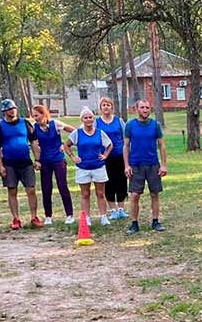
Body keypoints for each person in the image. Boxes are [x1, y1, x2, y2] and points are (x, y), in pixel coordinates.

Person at [0, 98, 42, 230]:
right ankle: (16, 218)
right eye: (9, 109)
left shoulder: (25, 124)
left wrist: (37, 159)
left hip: (26, 162)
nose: (12, 111)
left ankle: (34, 216)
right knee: (12, 190)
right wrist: (0, 166)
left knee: (31, 189)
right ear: (4, 111)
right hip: (9, 163)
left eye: (14, 109)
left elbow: (34, 142)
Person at [123, 98, 167, 234]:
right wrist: (126, 165)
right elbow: (126, 146)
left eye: (147, 108)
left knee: (155, 194)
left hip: (153, 164)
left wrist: (163, 165)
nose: (145, 110)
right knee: (135, 195)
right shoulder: (130, 125)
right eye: (142, 107)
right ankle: (134, 223)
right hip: (136, 165)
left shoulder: (155, 125)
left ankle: (155, 221)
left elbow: (161, 145)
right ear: (137, 109)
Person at [64, 107, 113, 226]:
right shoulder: (77, 133)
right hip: (83, 168)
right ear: (82, 119)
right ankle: (86, 217)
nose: (88, 120)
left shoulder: (99, 132)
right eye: (85, 118)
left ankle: (103, 216)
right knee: (85, 194)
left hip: (98, 167)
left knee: (101, 193)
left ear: (93, 119)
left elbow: (110, 144)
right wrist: (72, 157)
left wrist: (105, 155)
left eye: (90, 117)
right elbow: (66, 145)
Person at [31, 104, 76, 225]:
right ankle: (48, 216)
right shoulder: (34, 128)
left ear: (44, 114)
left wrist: (65, 145)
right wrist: (38, 160)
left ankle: (69, 214)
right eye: (33, 116)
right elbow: (34, 144)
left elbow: (73, 131)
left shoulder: (55, 124)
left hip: (58, 159)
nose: (35, 118)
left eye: (37, 115)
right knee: (46, 188)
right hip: (45, 161)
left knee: (62, 186)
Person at [97, 97, 128, 219]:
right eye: (104, 105)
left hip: (120, 156)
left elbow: (126, 137)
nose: (106, 107)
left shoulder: (118, 121)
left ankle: (121, 209)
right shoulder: (97, 122)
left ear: (112, 107)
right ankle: (113, 210)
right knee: (109, 183)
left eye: (108, 105)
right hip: (105, 158)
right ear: (101, 108)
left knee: (121, 182)